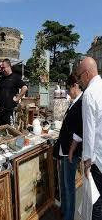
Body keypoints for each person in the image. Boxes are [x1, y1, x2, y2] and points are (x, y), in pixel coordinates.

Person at [54, 74, 83, 220]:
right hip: (65, 149)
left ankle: (68, 216)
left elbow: (79, 130)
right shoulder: (74, 101)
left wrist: (71, 151)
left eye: (68, 88)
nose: (67, 92)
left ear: (75, 86)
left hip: (70, 151)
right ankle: (64, 210)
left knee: (69, 187)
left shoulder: (81, 102)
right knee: (64, 185)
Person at [76, 57, 102, 220]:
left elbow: (89, 131)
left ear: (86, 74)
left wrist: (86, 162)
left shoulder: (89, 94)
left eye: (79, 76)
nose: (79, 81)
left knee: (96, 202)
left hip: (97, 159)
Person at [0, 58, 27, 126]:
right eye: (1, 68)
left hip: (10, 110)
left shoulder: (15, 77)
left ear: (9, 66)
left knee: (11, 131)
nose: (2, 69)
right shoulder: (1, 78)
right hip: (2, 110)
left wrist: (18, 98)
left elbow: (25, 88)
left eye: (3, 67)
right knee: (2, 131)